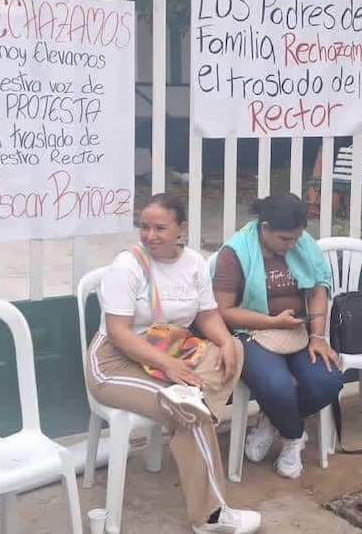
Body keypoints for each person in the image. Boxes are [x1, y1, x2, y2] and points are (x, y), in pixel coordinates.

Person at [84, 194, 260, 534]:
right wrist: (167, 366)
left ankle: (192, 406)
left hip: (171, 352)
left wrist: (223, 342)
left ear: (181, 228)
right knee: (189, 414)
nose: (150, 235)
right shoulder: (127, 267)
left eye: (160, 228)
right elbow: (119, 333)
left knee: (234, 349)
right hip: (116, 364)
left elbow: (208, 315)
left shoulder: (194, 262)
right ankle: (211, 518)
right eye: (144, 227)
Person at [212, 192, 343, 479]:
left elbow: (319, 288)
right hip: (250, 332)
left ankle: (273, 419)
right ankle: (294, 436)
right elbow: (223, 311)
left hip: (296, 330)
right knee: (277, 387)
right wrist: (271, 321)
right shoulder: (234, 253)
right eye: (285, 239)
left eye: (297, 237)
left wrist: (318, 337)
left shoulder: (302, 245)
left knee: (328, 379)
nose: (293, 244)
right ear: (265, 227)